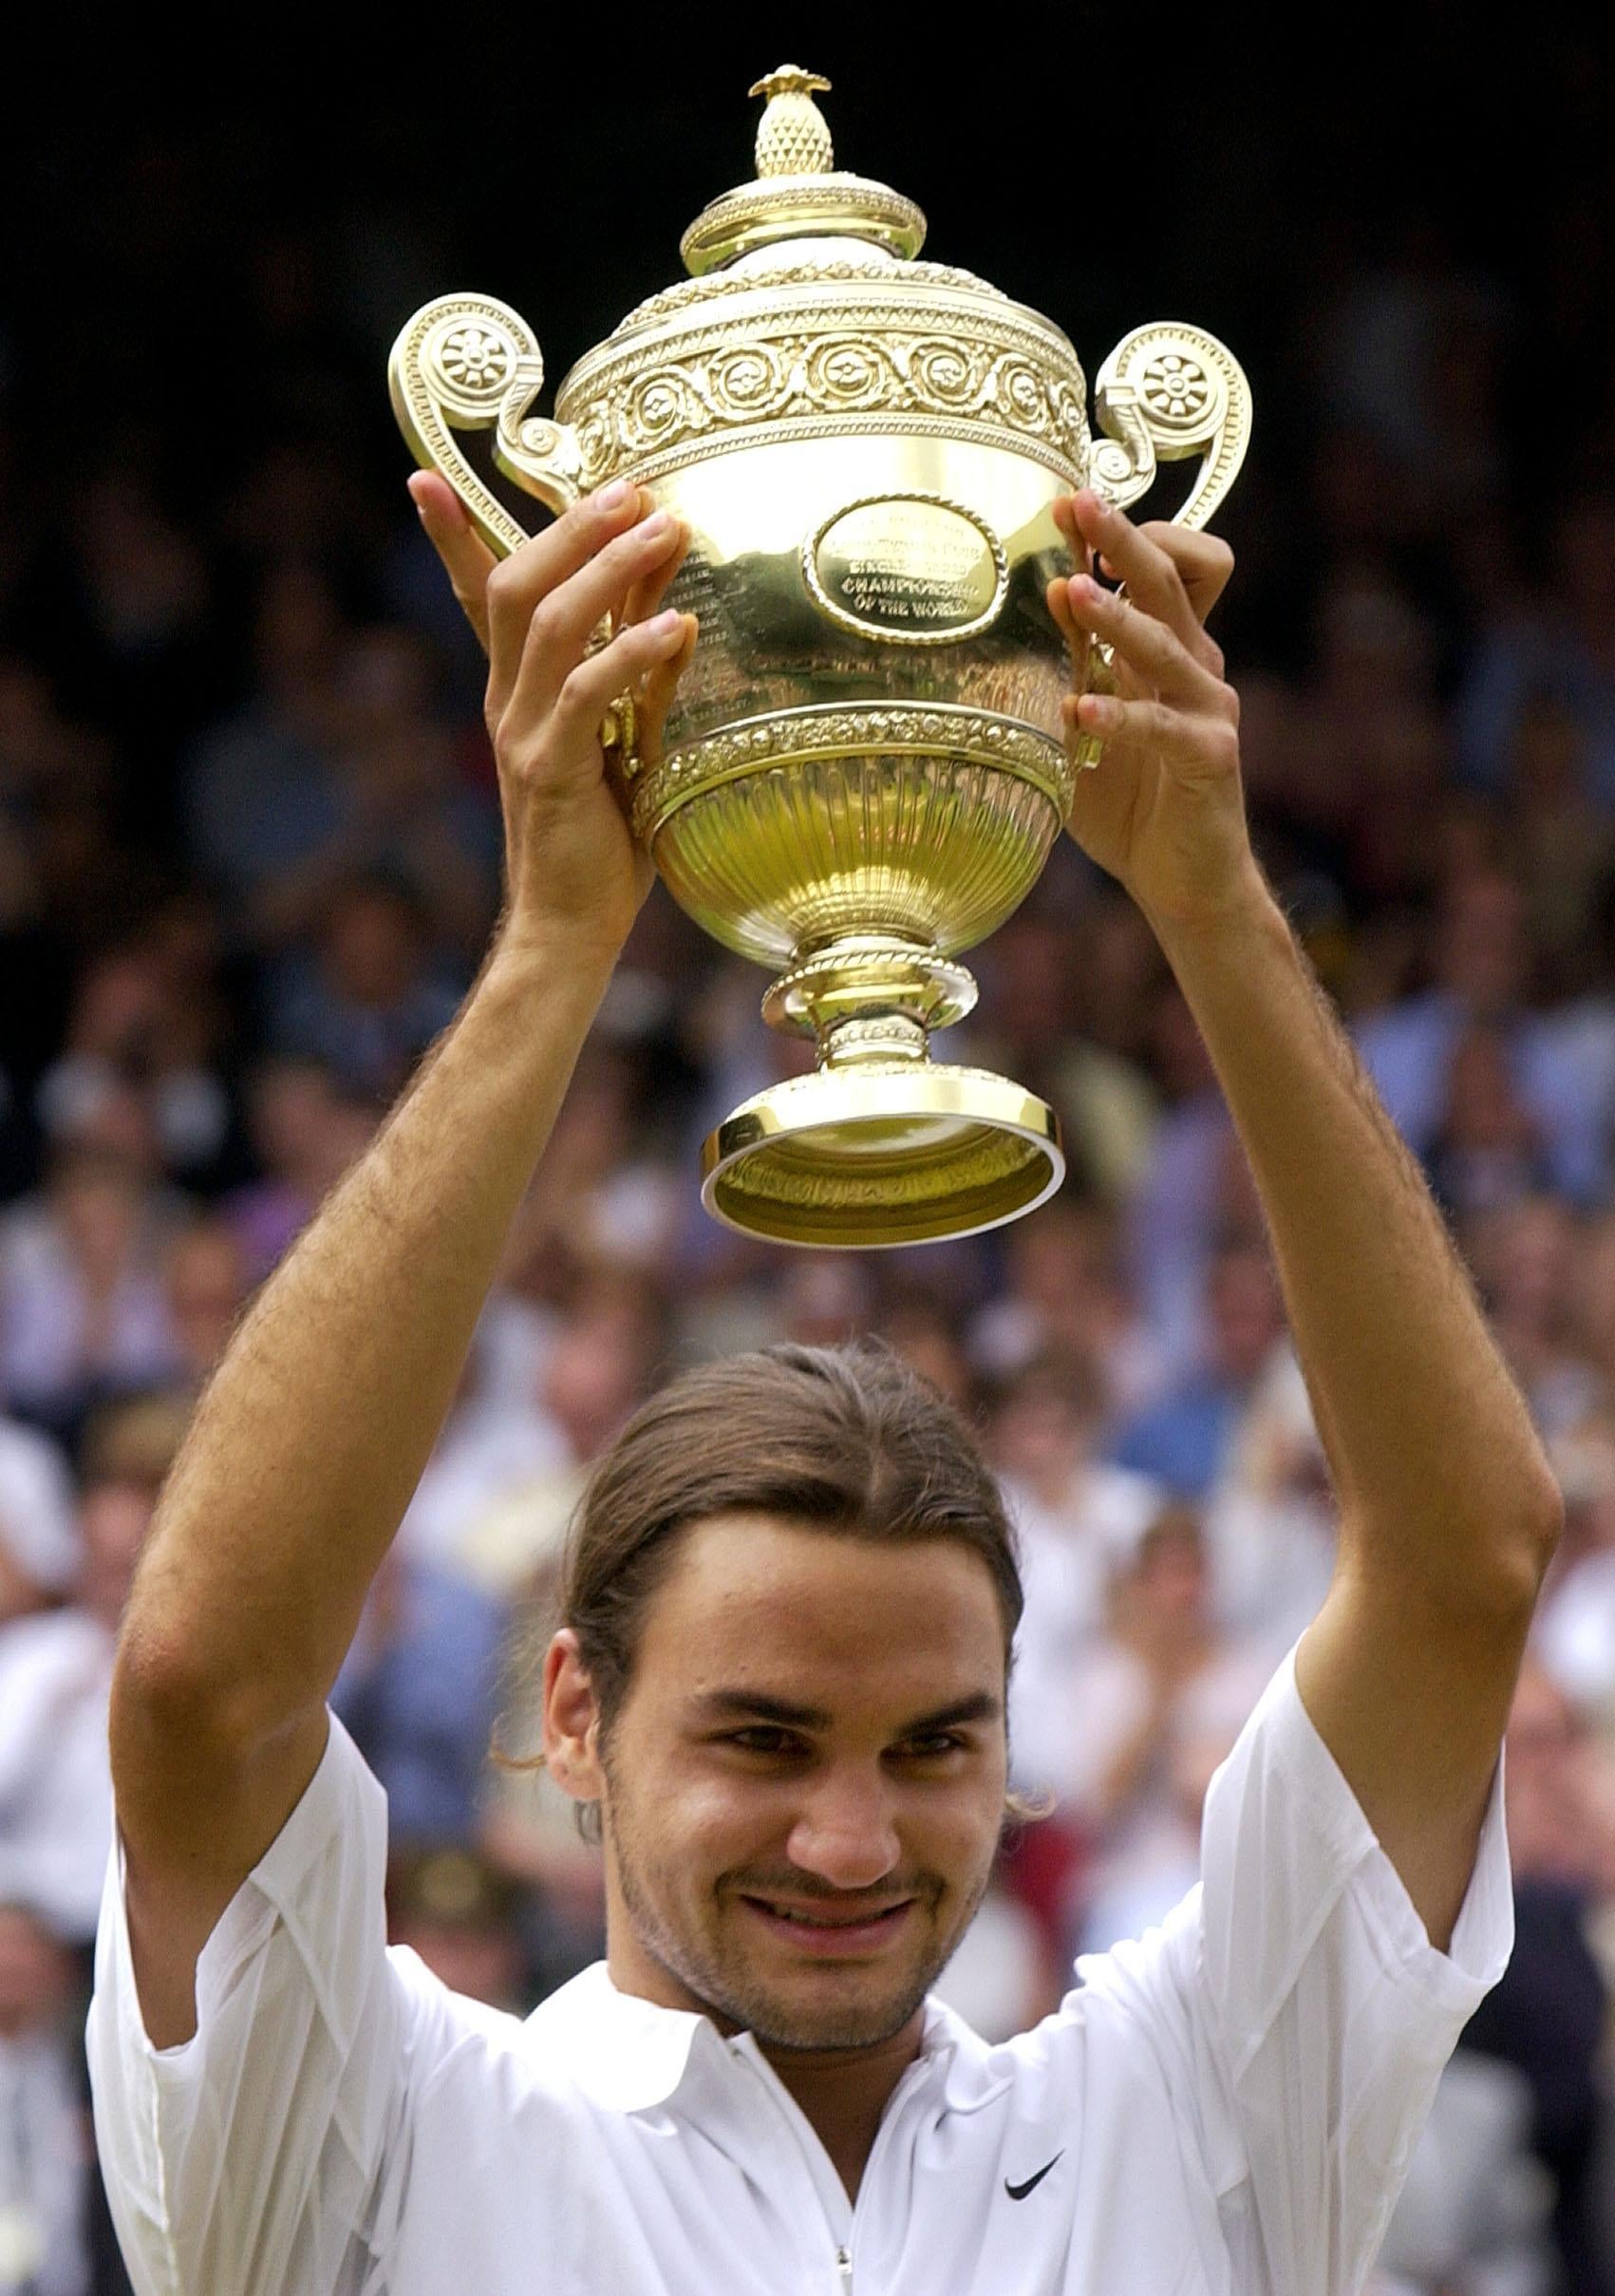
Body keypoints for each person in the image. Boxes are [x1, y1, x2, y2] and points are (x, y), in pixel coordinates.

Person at [86, 476, 1561, 2296]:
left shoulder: (1191, 2111)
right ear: (572, 1714)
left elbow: (1466, 1566)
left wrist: (1213, 898)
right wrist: (555, 945)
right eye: (758, 1735)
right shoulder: (389, 2130)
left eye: (935, 1741)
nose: (853, 1841)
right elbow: (201, 1685)